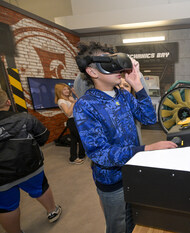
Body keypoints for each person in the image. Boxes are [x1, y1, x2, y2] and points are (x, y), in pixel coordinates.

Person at [73, 41, 177, 233]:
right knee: (118, 225)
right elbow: (100, 153)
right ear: (93, 72)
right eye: (109, 63)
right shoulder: (85, 105)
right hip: (112, 180)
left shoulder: (124, 95)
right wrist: (146, 149)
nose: (117, 68)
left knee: (134, 217)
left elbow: (148, 117)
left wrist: (137, 86)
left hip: (134, 171)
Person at [0, 88, 62, 233]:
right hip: (30, 167)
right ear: (8, 102)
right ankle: (52, 211)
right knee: (41, 188)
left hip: (1, 179)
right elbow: (43, 136)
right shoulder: (24, 118)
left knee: (6, 207)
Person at [54, 83, 85, 165]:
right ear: (59, 91)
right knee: (80, 139)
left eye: (67, 89)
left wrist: (75, 94)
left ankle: (77, 156)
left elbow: (81, 103)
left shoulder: (69, 98)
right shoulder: (61, 101)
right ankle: (75, 157)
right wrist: (73, 103)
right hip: (72, 121)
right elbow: (68, 113)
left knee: (75, 140)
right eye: (64, 89)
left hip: (78, 120)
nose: (67, 90)